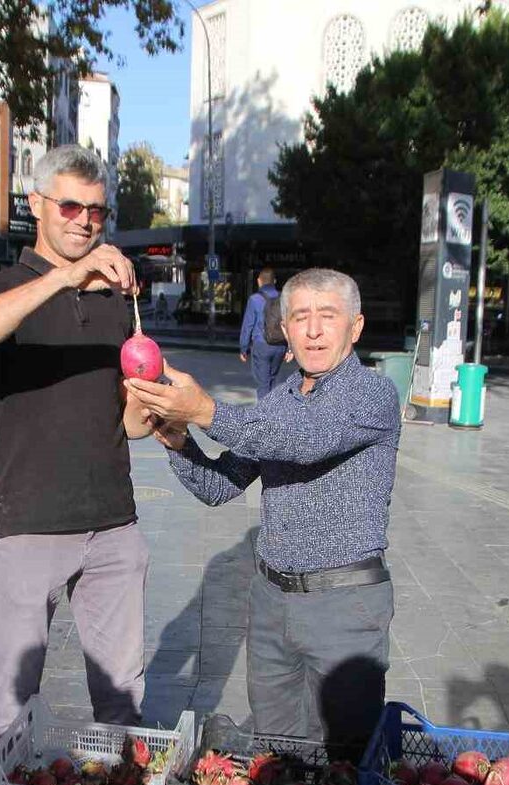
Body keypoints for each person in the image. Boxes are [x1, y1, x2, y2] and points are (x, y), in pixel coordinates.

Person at [127, 268, 400, 748]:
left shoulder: (372, 394)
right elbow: (220, 485)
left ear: (355, 327)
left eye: (327, 316)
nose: (313, 330)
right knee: (276, 753)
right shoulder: (281, 399)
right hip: (272, 604)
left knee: (344, 757)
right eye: (301, 317)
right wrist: (179, 442)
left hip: (344, 608)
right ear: (286, 331)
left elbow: (304, 441)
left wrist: (206, 410)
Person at [0, 144, 157, 748]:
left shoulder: (117, 300)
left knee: (122, 708)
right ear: (37, 205)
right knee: (13, 714)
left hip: (113, 526)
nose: (84, 221)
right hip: (28, 524)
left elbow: (130, 423)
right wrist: (64, 278)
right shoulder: (1, 286)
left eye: (96, 211)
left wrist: (157, 403)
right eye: (70, 205)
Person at [238, 268, 291, 397]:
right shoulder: (284, 299)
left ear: (258, 281)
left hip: (262, 345)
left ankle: (264, 415)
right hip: (280, 345)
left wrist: (243, 348)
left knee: (263, 383)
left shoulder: (254, 299)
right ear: (274, 281)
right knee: (272, 379)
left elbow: (248, 326)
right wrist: (290, 349)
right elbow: (290, 323)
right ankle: (272, 412)